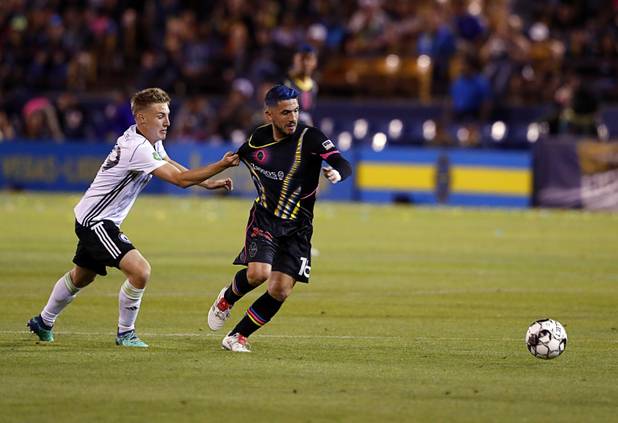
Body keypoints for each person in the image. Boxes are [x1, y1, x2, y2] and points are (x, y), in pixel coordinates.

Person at [27, 87, 240, 347]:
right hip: (96, 222)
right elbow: (180, 180)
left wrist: (208, 184)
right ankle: (125, 333)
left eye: (167, 115)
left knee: (82, 276)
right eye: (161, 115)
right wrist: (221, 164)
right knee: (140, 271)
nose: (168, 122)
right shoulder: (136, 148)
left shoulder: (147, 140)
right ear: (141, 118)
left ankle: (44, 320)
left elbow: (169, 161)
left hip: (92, 217)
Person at [207, 84, 352, 352]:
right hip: (265, 219)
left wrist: (337, 173)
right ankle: (227, 298)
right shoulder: (257, 140)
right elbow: (236, 158)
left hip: (299, 227)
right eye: (285, 112)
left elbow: (342, 162)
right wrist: (210, 180)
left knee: (281, 290)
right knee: (258, 274)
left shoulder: (311, 137)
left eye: (296, 111)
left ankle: (237, 336)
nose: (292, 117)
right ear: (269, 115)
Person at [283, 44, 318, 126]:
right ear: (295, 60)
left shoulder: (314, 86)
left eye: (309, 59)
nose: (305, 63)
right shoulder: (285, 83)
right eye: (302, 59)